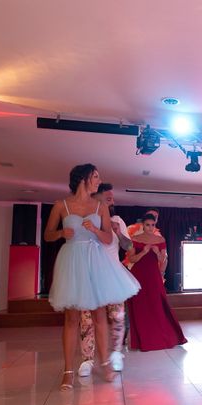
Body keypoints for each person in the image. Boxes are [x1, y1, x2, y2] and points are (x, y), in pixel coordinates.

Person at [44, 164, 141, 390]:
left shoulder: (100, 207)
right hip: (72, 260)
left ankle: (105, 364)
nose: (99, 180)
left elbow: (108, 238)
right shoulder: (61, 205)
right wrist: (60, 233)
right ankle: (68, 371)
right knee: (72, 319)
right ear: (83, 178)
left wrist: (96, 231)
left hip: (96, 261)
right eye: (95, 177)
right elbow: (48, 235)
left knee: (99, 316)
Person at [77, 183, 133, 377]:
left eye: (112, 197)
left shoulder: (117, 219)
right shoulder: (85, 219)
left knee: (117, 316)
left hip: (113, 274)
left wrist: (118, 232)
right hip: (91, 273)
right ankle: (87, 359)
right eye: (107, 196)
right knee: (87, 319)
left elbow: (128, 247)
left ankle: (116, 353)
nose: (112, 199)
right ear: (96, 196)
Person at [127, 213, 187, 351]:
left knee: (158, 304)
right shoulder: (135, 238)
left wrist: (157, 253)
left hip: (153, 274)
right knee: (140, 305)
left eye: (152, 225)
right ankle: (143, 339)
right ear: (142, 225)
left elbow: (163, 260)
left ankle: (162, 337)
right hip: (138, 274)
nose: (150, 228)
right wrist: (143, 252)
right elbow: (131, 259)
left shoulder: (160, 239)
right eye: (147, 225)